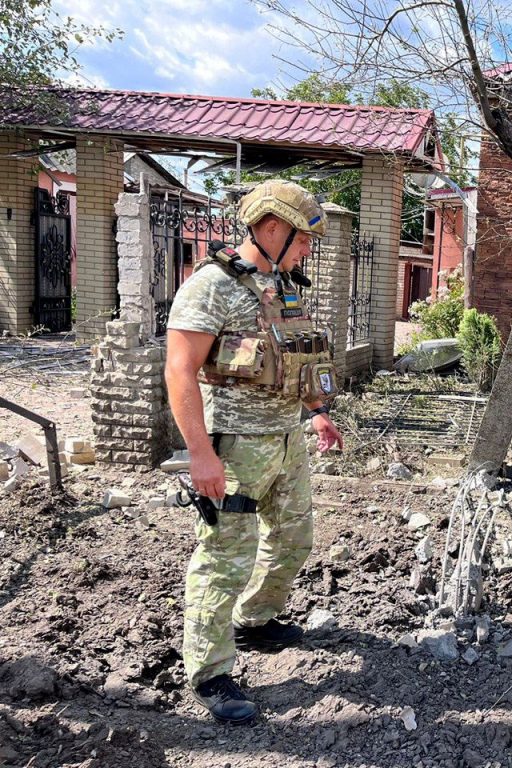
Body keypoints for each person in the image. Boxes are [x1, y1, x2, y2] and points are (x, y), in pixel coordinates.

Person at [165, 180, 344, 724]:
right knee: (225, 561)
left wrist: (317, 413)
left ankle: (257, 620)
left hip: (287, 440)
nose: (309, 249)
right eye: (304, 238)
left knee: (294, 540)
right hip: (234, 448)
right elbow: (179, 372)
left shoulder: (282, 285)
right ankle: (210, 671)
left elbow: (295, 360)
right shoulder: (210, 287)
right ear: (272, 228)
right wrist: (200, 454)